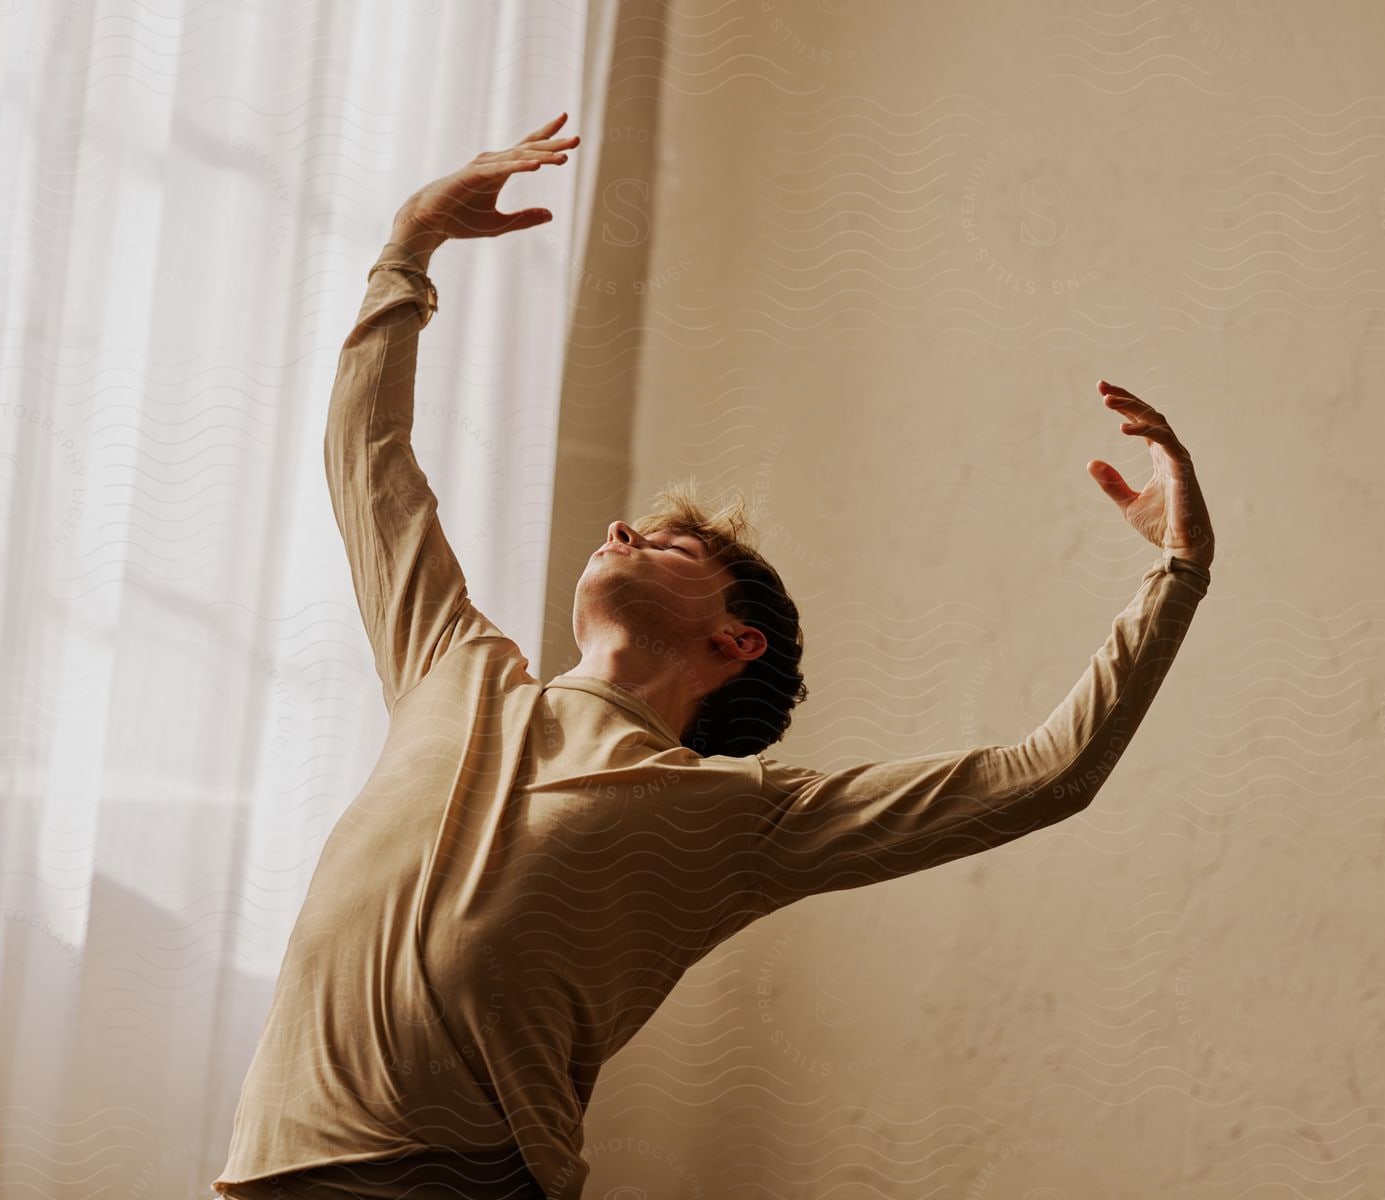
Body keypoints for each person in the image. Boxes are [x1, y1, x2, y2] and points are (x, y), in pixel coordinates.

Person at [212, 112, 1216, 1200]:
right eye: (628, 528)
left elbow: (1044, 777)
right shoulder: (451, 665)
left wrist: (1177, 576)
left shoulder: (737, 820)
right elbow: (370, 463)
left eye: (671, 541)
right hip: (265, 1172)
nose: (620, 532)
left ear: (735, 639)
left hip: (455, 1182)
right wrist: (409, 249)